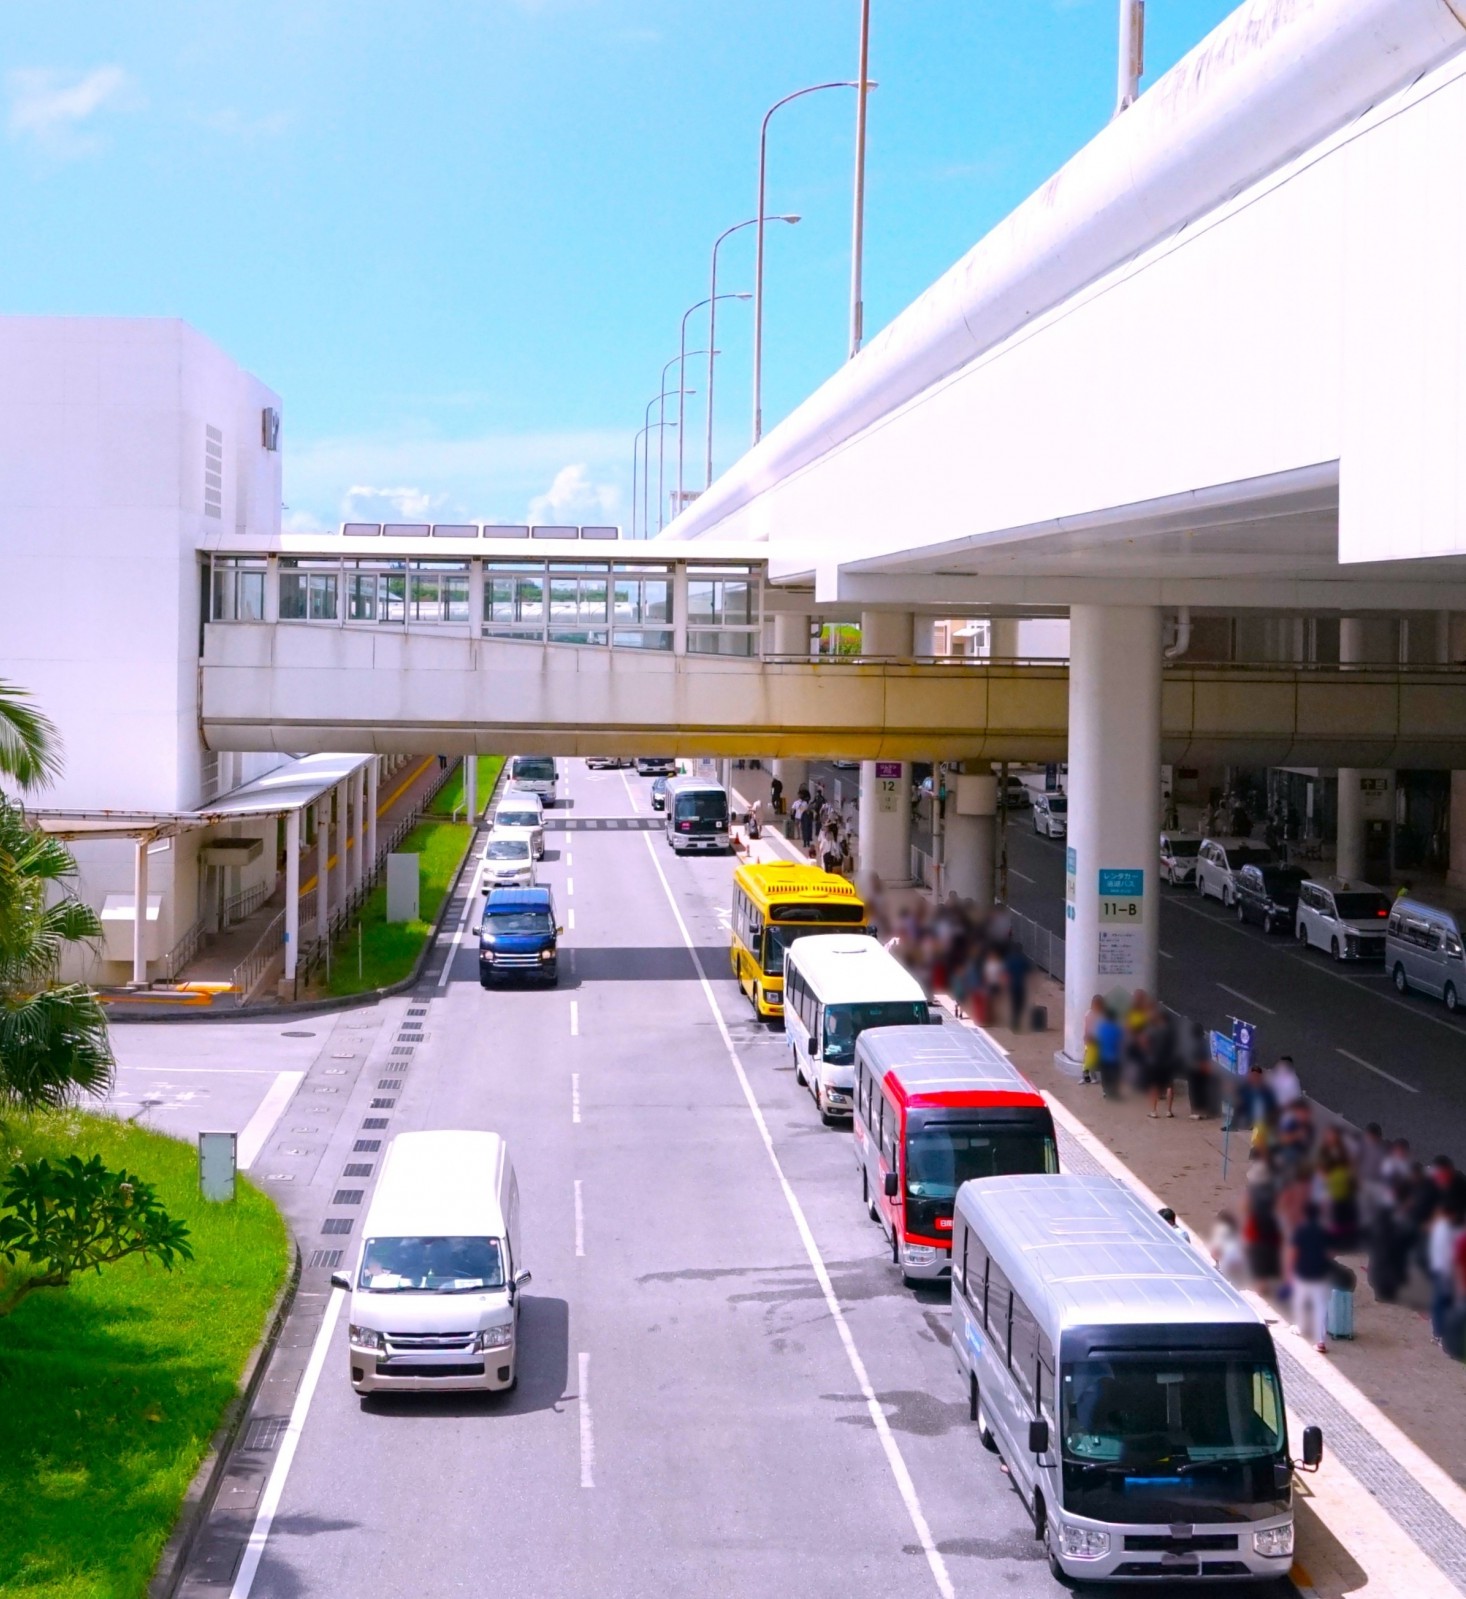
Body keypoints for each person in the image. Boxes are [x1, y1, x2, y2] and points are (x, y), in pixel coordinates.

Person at [1290, 1200, 1334, 1353]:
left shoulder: (1300, 1230)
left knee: (1300, 1301)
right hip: (1321, 1273)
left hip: (1302, 1272)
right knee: (1321, 1306)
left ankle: (1301, 1327)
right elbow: (1331, 1252)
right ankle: (1321, 1341)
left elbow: (1294, 1252)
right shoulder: (1325, 1230)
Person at [1094, 1005, 1125, 1099]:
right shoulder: (1118, 1029)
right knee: (1116, 1075)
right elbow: (1121, 1042)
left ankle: (1105, 1091)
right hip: (1115, 1056)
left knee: (1105, 1075)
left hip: (1103, 1056)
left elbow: (1097, 1041)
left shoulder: (1101, 1028)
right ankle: (1114, 1091)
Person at [1004, 940, 1031, 1031]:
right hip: (1020, 985)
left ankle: (1013, 1020)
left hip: (1011, 985)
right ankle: (1016, 1020)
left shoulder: (1009, 959)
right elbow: (1029, 970)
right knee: (1020, 1003)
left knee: (1013, 1003)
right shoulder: (1023, 959)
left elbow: (1005, 971)